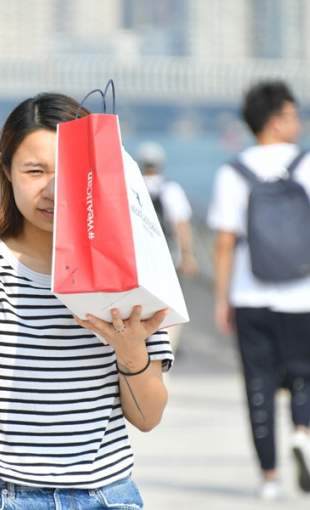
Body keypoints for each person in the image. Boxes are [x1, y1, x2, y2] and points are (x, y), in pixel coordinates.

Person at [0, 92, 173, 509]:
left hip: (103, 495)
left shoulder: (130, 269)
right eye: (35, 170)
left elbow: (148, 416)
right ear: (6, 170)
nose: (52, 189)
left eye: (70, 172)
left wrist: (129, 348)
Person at [208, 80, 310, 501]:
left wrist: (222, 298)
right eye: (293, 113)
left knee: (258, 386)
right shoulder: (307, 164)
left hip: (250, 295)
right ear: (276, 120)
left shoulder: (234, 171)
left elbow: (224, 243)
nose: (299, 121)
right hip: (303, 296)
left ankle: (269, 479)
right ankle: (303, 432)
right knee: (305, 375)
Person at [136, 141, 198, 356]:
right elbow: (181, 224)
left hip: (139, 261)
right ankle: (166, 347)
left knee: (140, 305)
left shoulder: (132, 187)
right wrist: (187, 255)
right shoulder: (171, 189)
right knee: (170, 307)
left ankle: (141, 345)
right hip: (169, 260)